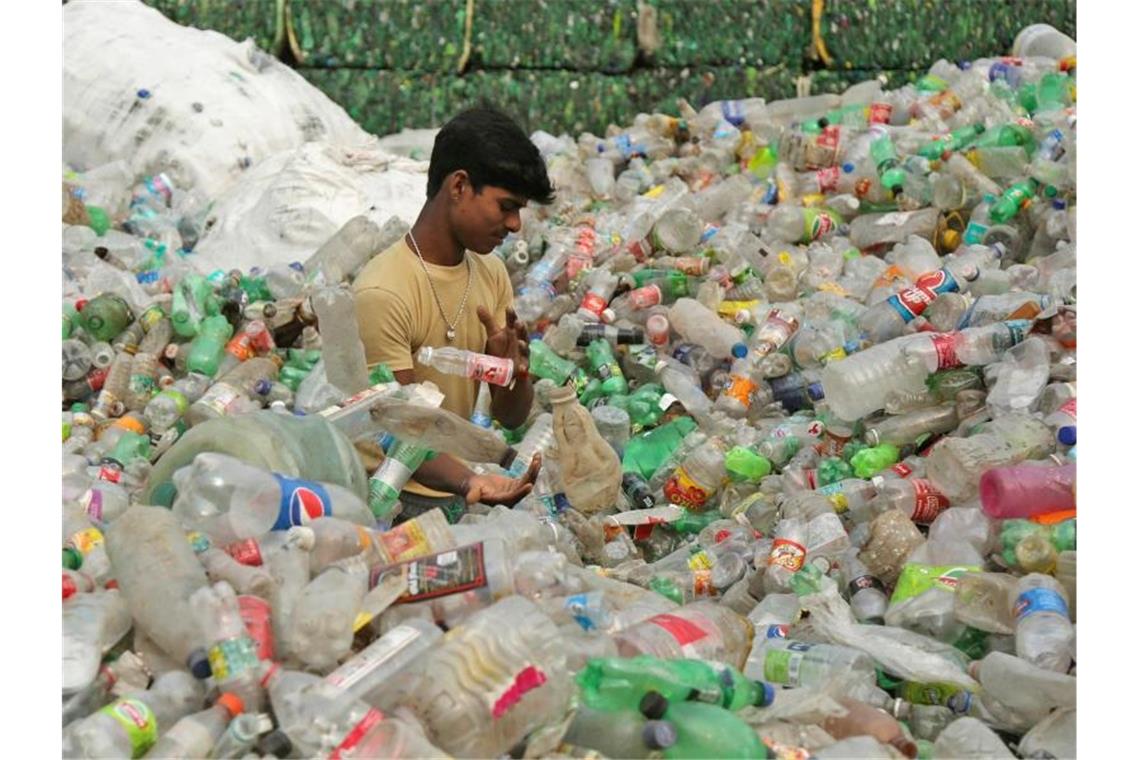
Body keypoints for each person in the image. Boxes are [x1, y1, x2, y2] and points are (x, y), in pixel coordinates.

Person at [353, 104, 555, 520]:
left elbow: (511, 416)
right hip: (385, 496)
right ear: (460, 186)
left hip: (454, 486)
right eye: (506, 206)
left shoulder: (490, 272)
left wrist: (513, 374)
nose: (516, 224)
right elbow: (396, 428)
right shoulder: (384, 291)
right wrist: (470, 482)